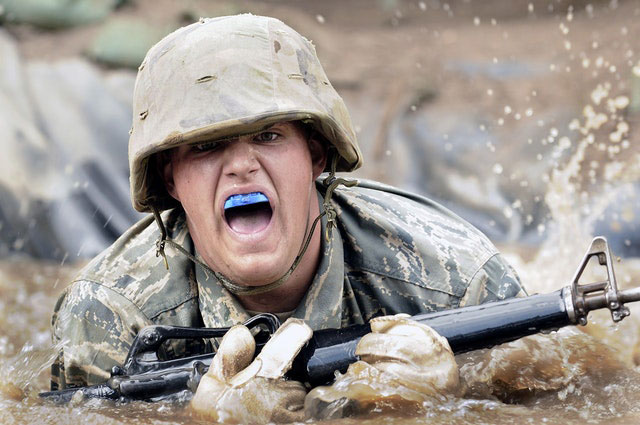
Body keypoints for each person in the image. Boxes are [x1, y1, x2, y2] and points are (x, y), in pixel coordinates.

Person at [50, 13, 526, 421]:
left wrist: (452, 402)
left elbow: (581, 392)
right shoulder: (112, 315)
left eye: (268, 137)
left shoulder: (453, 281)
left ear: (315, 156)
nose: (241, 165)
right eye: (207, 146)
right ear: (171, 180)